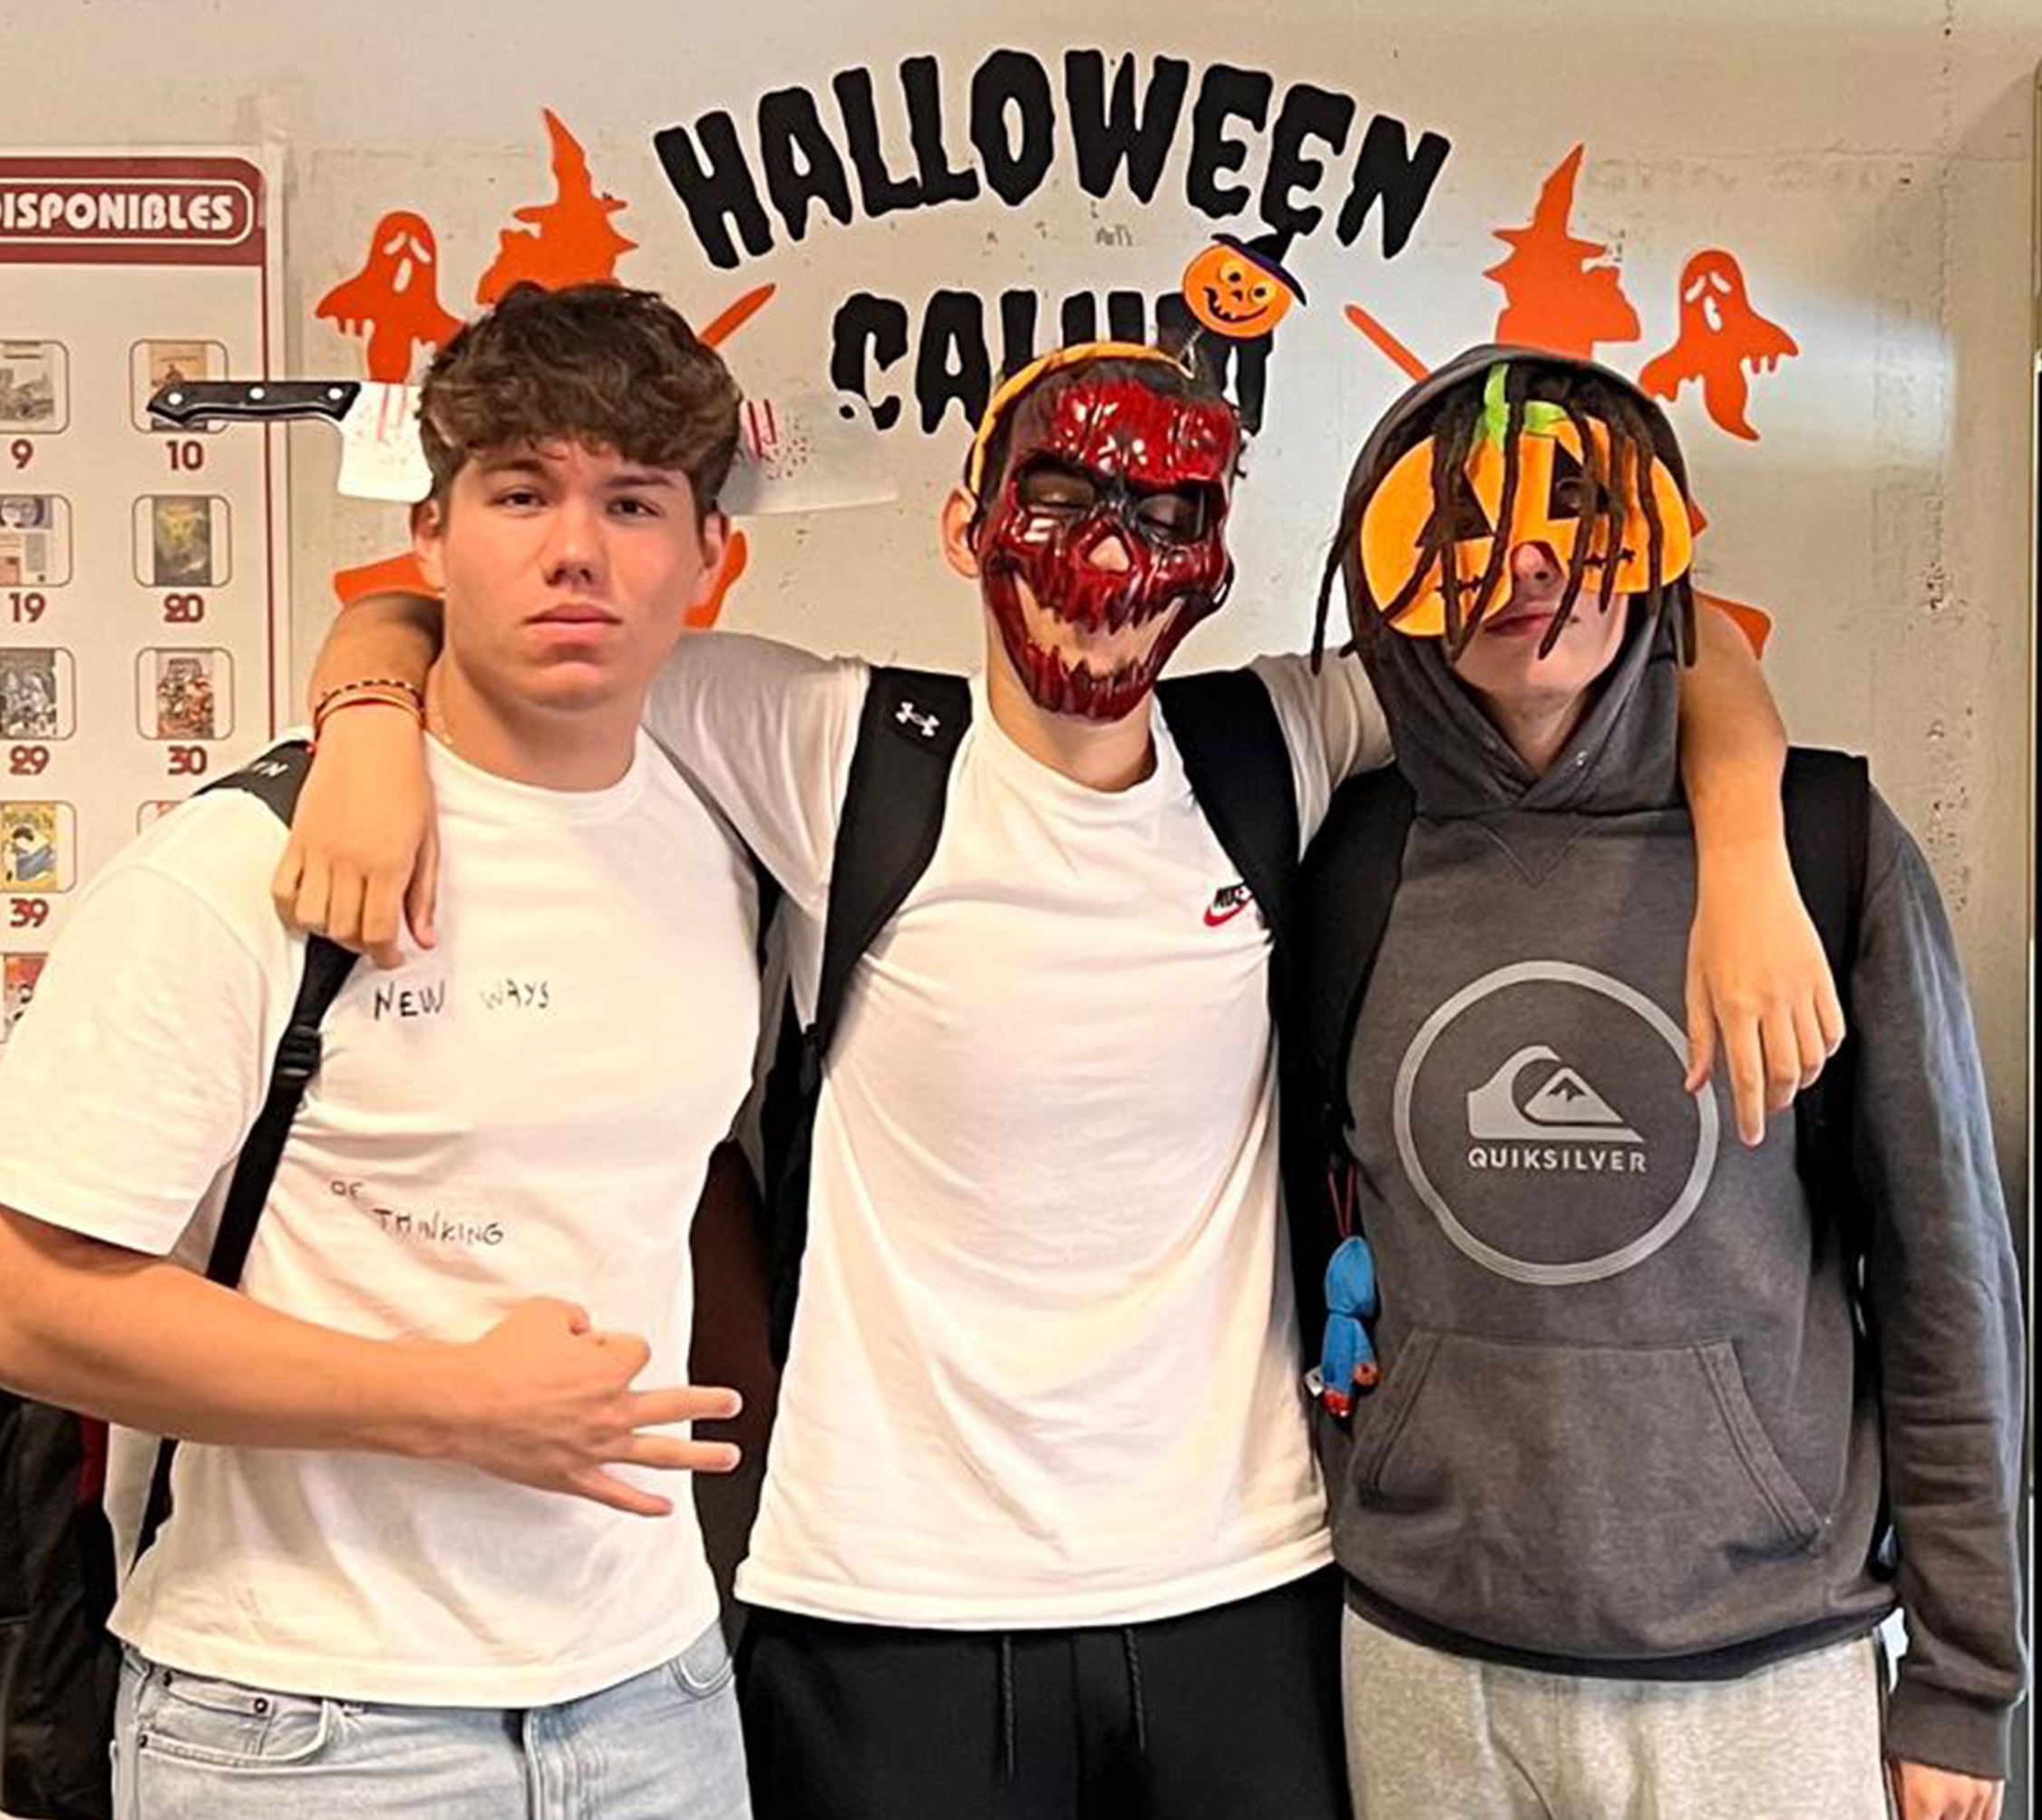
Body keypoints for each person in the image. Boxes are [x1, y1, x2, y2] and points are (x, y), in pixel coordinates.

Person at [291, 337, 1837, 1820]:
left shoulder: (1273, 742)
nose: (1111, 558)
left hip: (1240, 1584)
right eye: (1064, 501)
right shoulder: (834, 743)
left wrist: (1750, 853)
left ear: (1216, 558)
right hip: (887, 1600)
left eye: (1166, 515)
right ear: (967, 525)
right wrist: (365, 729)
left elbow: (1671, 631)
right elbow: (448, 617)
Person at [0, 281, 765, 1820]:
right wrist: (446, 1403)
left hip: (656, 1698)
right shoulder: (238, 869)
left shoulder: (720, 827)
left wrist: (368, 685)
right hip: (301, 1720)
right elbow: (25, 1302)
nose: (575, 551)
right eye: (520, 493)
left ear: (706, 555)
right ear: (429, 534)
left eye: (631, 501)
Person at [1304, 345, 2024, 1820]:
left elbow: (1947, 1271)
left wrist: (1964, 1678)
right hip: (1426, 1655)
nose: (1526, 564)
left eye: (1572, 508)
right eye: (1462, 527)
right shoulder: (1356, 861)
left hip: (1764, 1662)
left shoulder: (1822, 846)